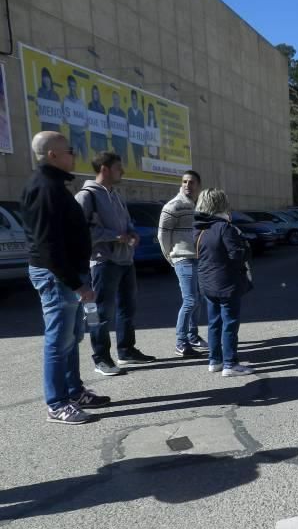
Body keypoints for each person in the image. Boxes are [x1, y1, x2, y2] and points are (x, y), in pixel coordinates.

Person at [19, 132, 110, 424]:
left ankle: (73, 391)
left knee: (72, 338)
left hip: (69, 273)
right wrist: (77, 283)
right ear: (52, 155)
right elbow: (48, 247)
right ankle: (57, 404)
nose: (74, 155)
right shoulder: (44, 188)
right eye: (69, 151)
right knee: (58, 341)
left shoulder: (55, 186)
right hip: (57, 276)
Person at [75, 151, 155, 375]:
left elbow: (127, 221)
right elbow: (81, 231)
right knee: (99, 312)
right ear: (105, 169)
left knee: (127, 308)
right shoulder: (86, 196)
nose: (123, 171)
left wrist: (132, 233)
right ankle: (101, 358)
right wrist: (114, 236)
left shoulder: (115, 194)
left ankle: (126, 350)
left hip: (125, 260)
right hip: (102, 262)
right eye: (119, 167)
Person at [193, 189, 254, 376]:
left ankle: (215, 360)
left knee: (214, 323)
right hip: (227, 283)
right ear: (221, 204)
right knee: (230, 324)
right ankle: (230, 364)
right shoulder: (224, 228)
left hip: (207, 283)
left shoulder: (199, 228)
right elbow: (236, 255)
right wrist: (245, 247)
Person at [158, 171, 208, 357]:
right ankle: (181, 342)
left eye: (192, 182)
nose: (187, 185)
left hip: (198, 259)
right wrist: (171, 257)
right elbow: (162, 235)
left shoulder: (198, 206)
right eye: (184, 181)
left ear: (198, 185)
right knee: (190, 300)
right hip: (183, 258)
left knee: (198, 299)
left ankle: (193, 336)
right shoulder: (173, 206)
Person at [64, 76, 88, 163]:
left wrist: (86, 123)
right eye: (71, 86)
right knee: (73, 160)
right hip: (73, 134)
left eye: (74, 86)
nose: (72, 88)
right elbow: (64, 118)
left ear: (76, 86)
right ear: (68, 86)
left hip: (82, 135)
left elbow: (86, 119)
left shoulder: (80, 102)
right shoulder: (66, 100)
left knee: (86, 158)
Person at [36, 68, 62, 132]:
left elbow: (59, 111)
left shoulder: (55, 95)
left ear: (50, 79)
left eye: (47, 78)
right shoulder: (40, 92)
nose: (46, 80)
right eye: (44, 78)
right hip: (46, 128)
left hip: (55, 128)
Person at [108, 91, 128, 165]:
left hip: (122, 144)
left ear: (119, 100)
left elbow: (125, 131)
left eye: (116, 99)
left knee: (121, 164)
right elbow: (109, 128)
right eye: (114, 99)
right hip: (114, 143)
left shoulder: (123, 113)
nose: (115, 101)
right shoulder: (110, 111)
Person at [127, 90, 145, 170]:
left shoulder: (140, 113)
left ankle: (141, 169)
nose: (134, 102)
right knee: (135, 156)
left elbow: (143, 127)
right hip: (133, 139)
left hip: (140, 140)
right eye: (132, 100)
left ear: (137, 101)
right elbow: (128, 124)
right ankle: (137, 169)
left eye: (135, 100)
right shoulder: (129, 111)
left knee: (141, 156)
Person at [88, 85, 108, 155]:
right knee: (97, 156)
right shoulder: (90, 105)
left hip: (102, 136)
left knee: (103, 156)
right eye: (94, 93)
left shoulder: (102, 107)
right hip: (95, 136)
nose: (95, 95)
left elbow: (104, 122)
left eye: (96, 93)